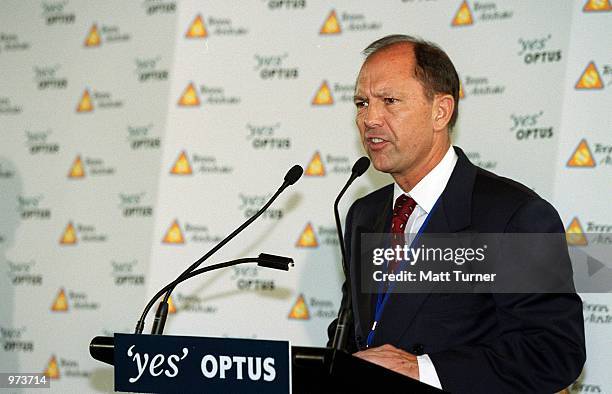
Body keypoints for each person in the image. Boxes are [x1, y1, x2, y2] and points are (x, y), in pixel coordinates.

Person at [327, 35, 585, 393]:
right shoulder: (363, 213)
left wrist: (424, 369)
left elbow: (554, 352)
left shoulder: (513, 216)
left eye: (389, 101)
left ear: (440, 111)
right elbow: (355, 330)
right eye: (361, 102)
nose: (370, 118)